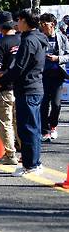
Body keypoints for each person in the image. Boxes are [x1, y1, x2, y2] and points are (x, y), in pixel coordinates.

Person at [0, 8, 47, 177]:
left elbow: (19, 67)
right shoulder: (39, 37)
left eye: (19, 20)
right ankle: (35, 162)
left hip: (27, 88)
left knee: (26, 128)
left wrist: (0, 82)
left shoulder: (28, 40)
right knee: (34, 128)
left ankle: (30, 165)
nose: (16, 23)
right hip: (36, 86)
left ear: (24, 21)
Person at [0, 11, 21, 165]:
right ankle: (26, 153)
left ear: (0, 27)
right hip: (20, 87)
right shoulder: (22, 40)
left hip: (3, 88)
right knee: (18, 122)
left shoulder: (0, 43)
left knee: (4, 122)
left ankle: (10, 154)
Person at [38, 13, 69, 142]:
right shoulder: (39, 38)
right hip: (42, 75)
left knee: (56, 104)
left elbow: (68, 55)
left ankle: (53, 126)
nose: (43, 27)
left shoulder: (62, 38)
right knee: (43, 104)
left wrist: (58, 58)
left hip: (57, 76)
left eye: (45, 24)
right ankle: (44, 131)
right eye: (41, 24)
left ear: (53, 24)